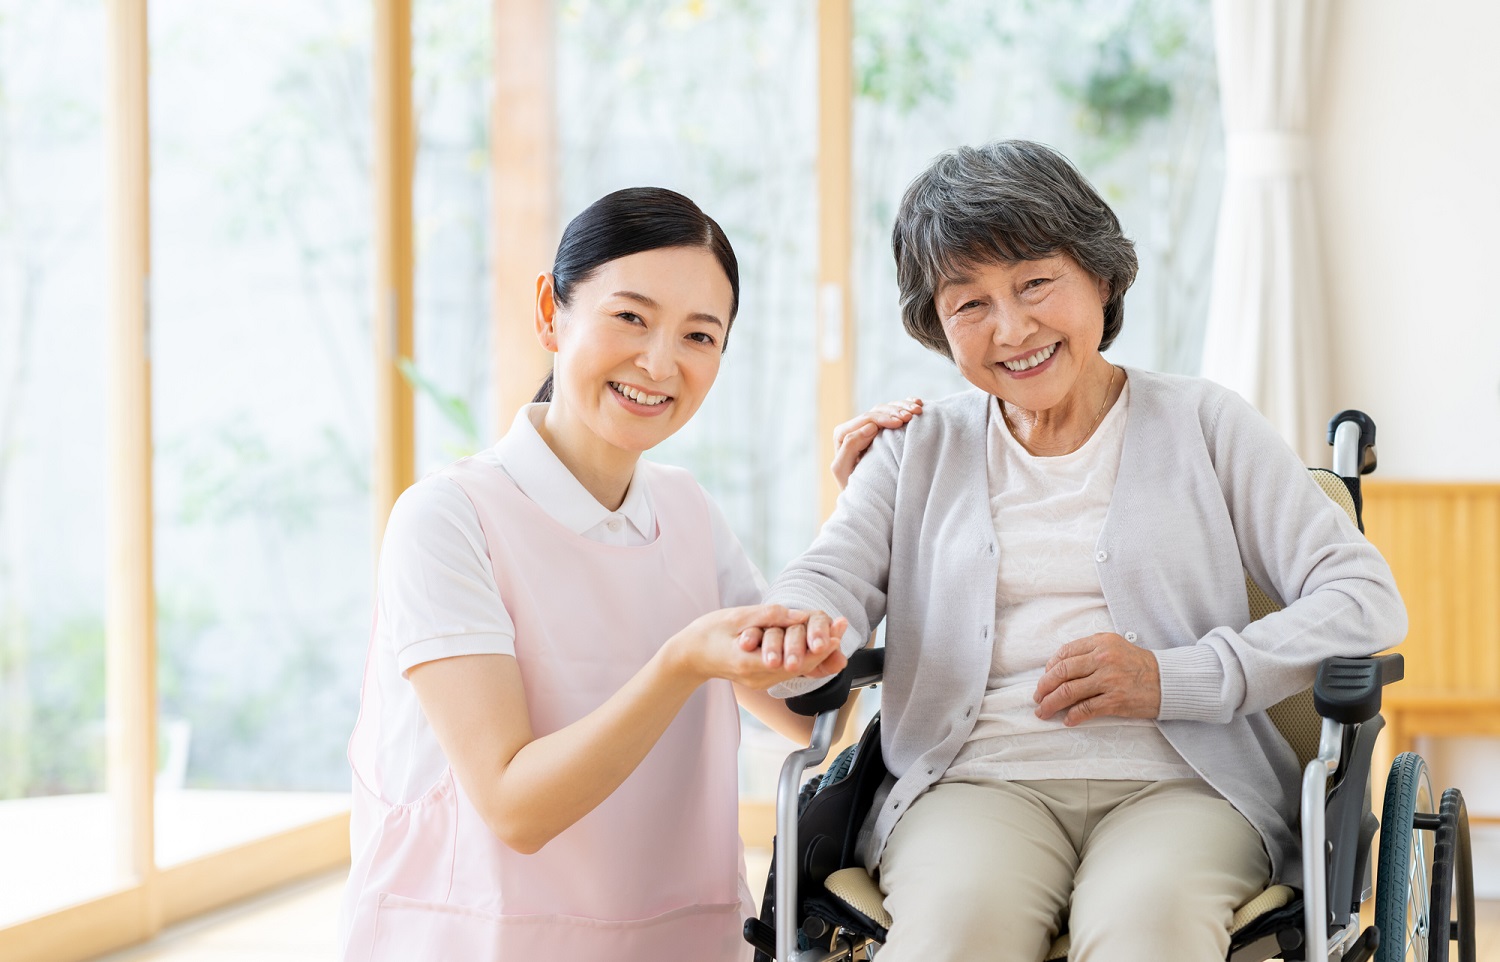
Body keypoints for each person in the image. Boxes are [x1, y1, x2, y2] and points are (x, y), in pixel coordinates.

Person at [766, 141, 1407, 961]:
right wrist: (800, 627)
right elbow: (826, 580)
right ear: (937, 324)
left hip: (1187, 784)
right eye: (970, 304)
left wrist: (1172, 677)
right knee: (955, 932)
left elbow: (1363, 596)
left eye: (1036, 283)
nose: (1012, 328)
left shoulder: (1205, 426)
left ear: (1101, 277)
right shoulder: (913, 448)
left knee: (1150, 931)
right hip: (971, 784)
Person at [338, 187, 918, 961]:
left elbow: (802, 714)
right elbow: (515, 808)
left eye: (699, 336)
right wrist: (681, 663)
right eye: (630, 317)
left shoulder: (683, 509)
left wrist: (869, 517)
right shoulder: (447, 520)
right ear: (550, 310)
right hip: (479, 938)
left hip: (676, 936)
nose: (659, 362)